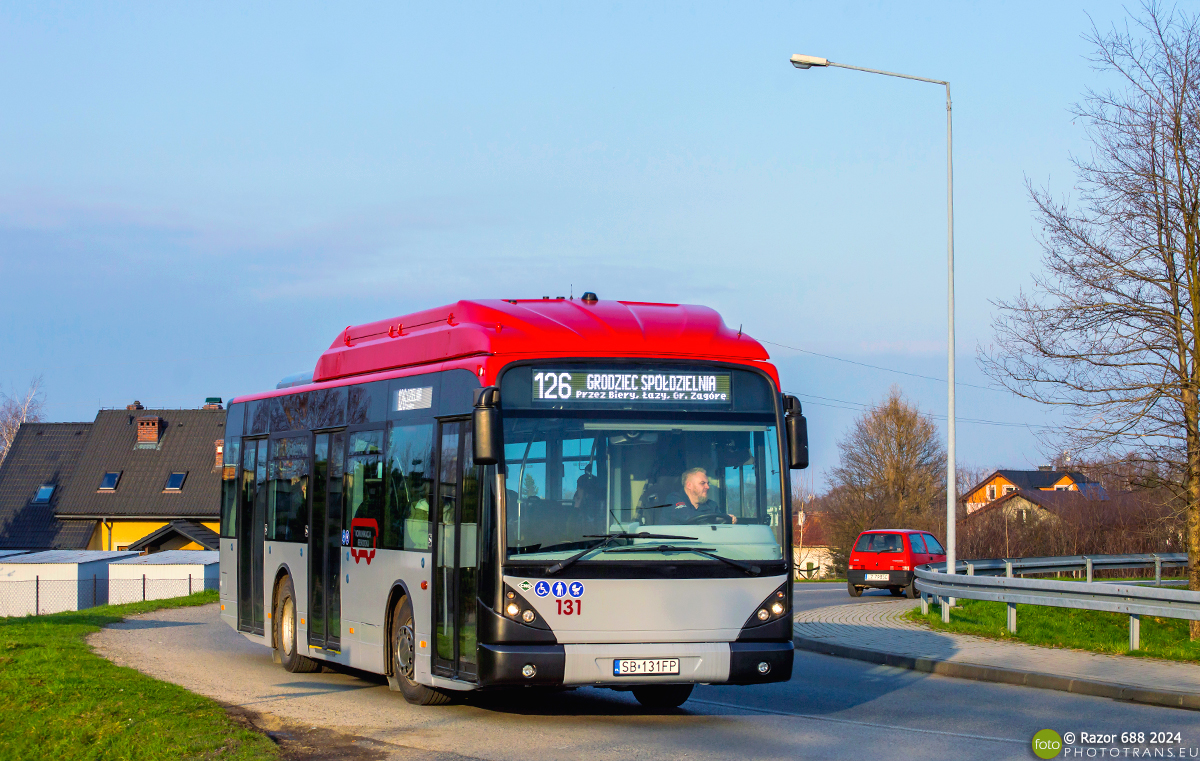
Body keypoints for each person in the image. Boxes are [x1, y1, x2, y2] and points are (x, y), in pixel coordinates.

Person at [661, 467, 738, 524]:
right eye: (702, 483)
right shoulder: (673, 499)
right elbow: (687, 517)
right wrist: (715, 518)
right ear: (689, 485)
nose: (708, 487)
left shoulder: (712, 505)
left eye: (708, 483)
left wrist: (727, 519)